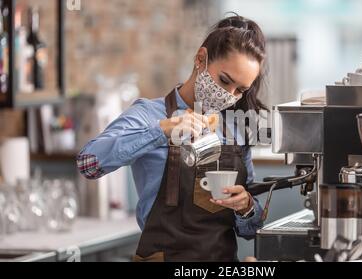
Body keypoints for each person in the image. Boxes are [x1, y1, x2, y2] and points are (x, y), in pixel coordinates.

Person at [77, 14, 267, 262]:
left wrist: (247, 207)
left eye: (240, 90)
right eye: (224, 81)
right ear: (201, 59)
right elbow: (88, 164)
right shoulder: (149, 115)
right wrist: (162, 130)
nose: (228, 95)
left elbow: (251, 230)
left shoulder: (236, 129)